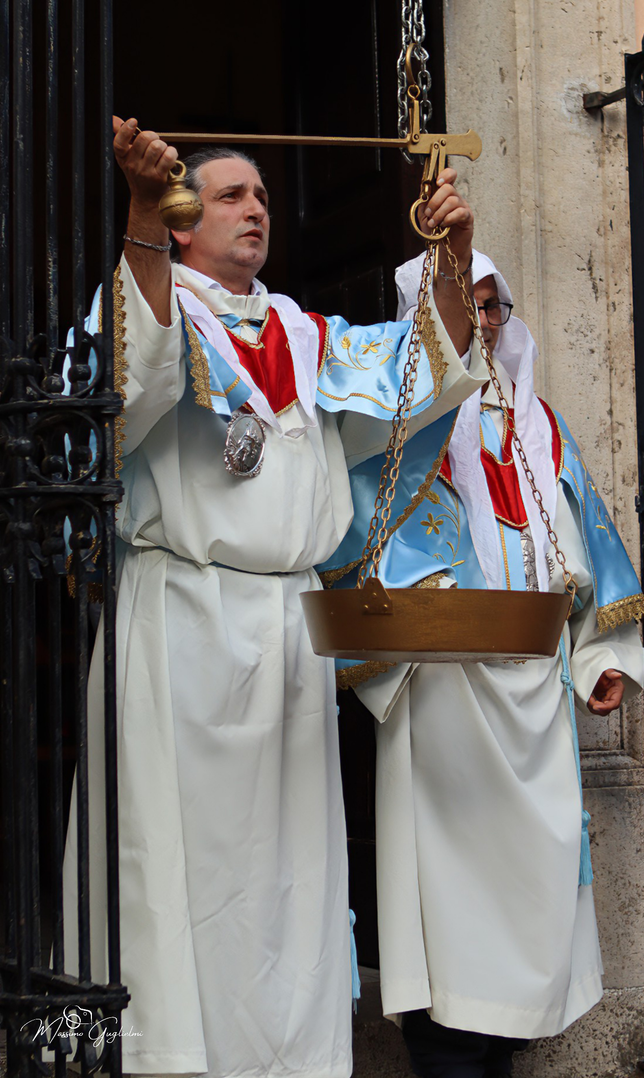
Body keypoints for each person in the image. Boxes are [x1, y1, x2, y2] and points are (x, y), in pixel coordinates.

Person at [61, 118, 487, 1078]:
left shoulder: (304, 332)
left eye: (260, 198)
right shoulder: (148, 302)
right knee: (181, 871)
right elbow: (123, 394)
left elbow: (417, 378)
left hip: (291, 632)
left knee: (291, 883)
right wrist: (136, 210)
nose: (254, 209)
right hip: (183, 621)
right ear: (178, 220)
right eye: (227, 196)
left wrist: (452, 255)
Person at [320, 249, 644, 1078]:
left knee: (527, 905)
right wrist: (434, 602)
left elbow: (588, 548)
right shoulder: (390, 432)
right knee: (453, 908)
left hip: (535, 699)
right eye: (471, 308)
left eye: (497, 307)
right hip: (443, 699)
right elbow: (353, 540)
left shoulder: (542, 425)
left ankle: (501, 1048)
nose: (489, 324)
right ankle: (446, 1054)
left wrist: (598, 655)